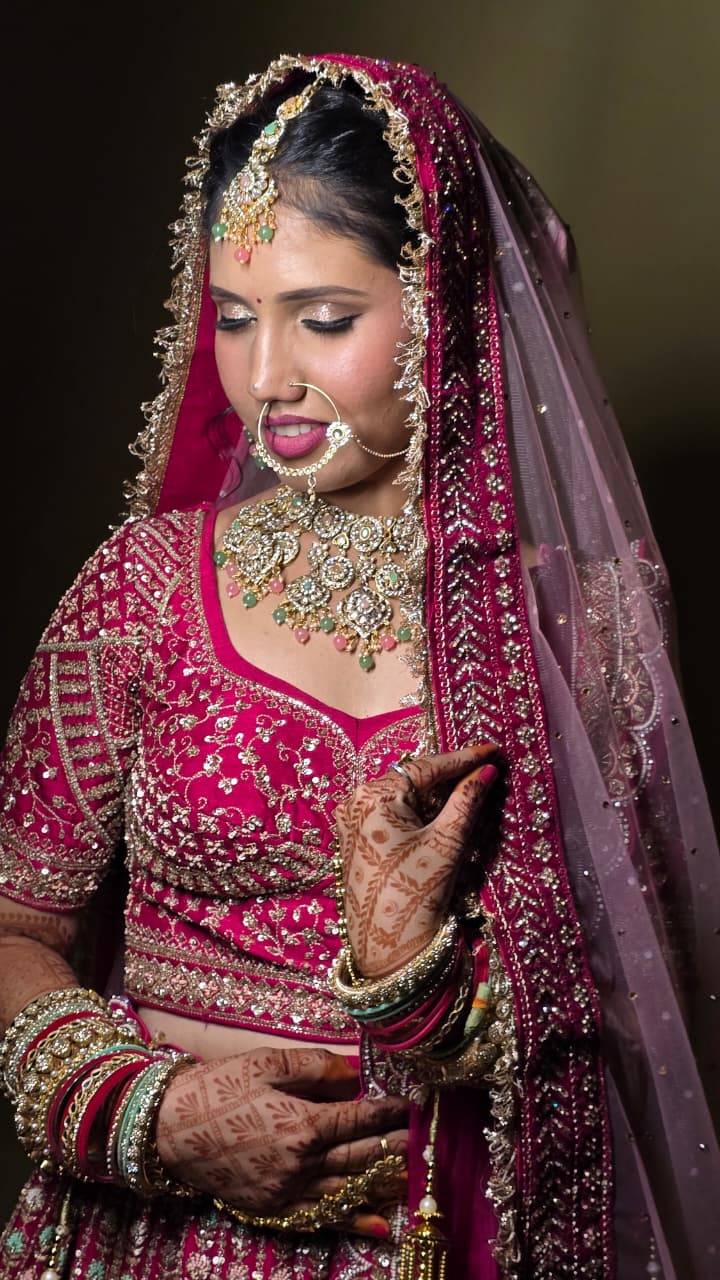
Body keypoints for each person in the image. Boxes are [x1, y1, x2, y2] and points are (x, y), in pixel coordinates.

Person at [0, 51, 717, 1280]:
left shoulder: (579, 629)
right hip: (146, 1241)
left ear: (446, 305)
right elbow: (15, 922)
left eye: (324, 318)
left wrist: (413, 980)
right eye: (236, 315)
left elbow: (646, 1017)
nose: (265, 375)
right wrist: (149, 1114)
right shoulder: (145, 586)